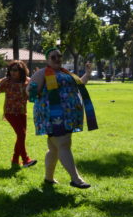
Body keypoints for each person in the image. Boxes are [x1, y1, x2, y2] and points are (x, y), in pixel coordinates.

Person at [27, 47, 97, 189]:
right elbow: (30, 93)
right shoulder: (42, 73)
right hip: (53, 117)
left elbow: (79, 85)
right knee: (64, 144)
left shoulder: (65, 73)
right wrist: (32, 90)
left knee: (54, 148)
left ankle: (48, 178)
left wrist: (88, 74)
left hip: (67, 116)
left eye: (59, 56)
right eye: (53, 57)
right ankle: (76, 179)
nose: (57, 59)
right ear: (47, 60)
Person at [0, 60, 37, 168]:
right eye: (11, 70)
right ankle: (26, 160)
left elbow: (34, 94)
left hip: (22, 112)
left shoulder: (27, 81)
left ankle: (15, 159)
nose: (12, 72)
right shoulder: (6, 81)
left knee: (21, 136)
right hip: (10, 112)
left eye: (15, 70)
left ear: (21, 71)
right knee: (21, 134)